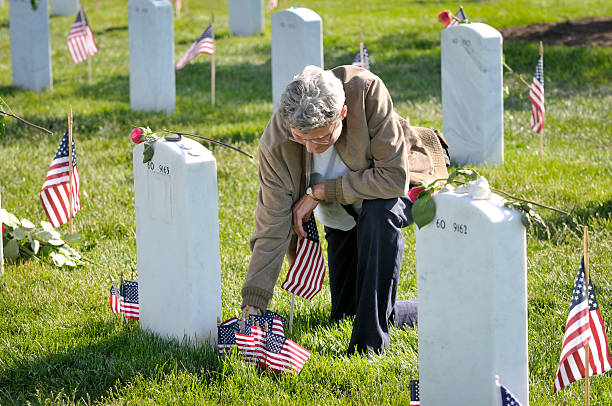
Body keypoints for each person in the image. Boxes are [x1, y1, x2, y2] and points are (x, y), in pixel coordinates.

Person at [241, 65, 448, 355]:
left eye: (322, 139)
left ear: (342, 114)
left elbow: (392, 179)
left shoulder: (366, 92)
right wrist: (254, 302)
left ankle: (369, 346)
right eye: (302, 139)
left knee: (379, 213)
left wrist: (322, 191)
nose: (311, 149)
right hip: (342, 214)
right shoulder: (276, 143)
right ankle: (441, 307)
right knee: (348, 312)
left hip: (400, 186)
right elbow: (271, 225)